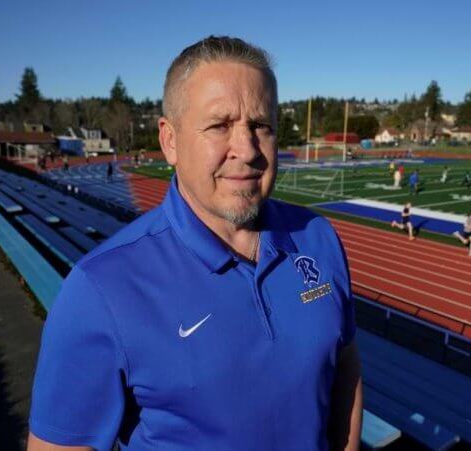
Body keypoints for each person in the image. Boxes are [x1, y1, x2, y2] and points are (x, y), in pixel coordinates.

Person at [27, 36, 362, 451]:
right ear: (170, 140)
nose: (247, 149)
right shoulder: (100, 288)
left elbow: (345, 369)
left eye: (261, 125)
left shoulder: (319, 238)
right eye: (219, 126)